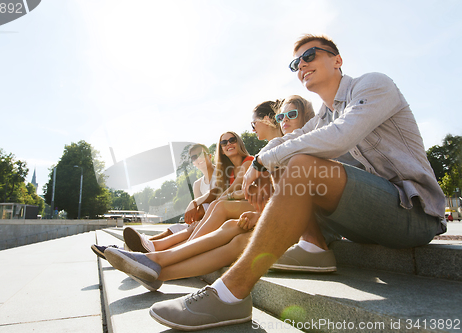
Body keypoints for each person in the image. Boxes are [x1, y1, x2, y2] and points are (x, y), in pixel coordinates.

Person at [148, 34, 446, 331]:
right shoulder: (325, 116)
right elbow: (293, 139)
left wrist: (264, 163)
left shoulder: (373, 85)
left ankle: (229, 294)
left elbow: (341, 135)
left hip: (413, 213)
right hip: (367, 221)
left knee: (299, 161)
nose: (301, 65)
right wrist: (263, 166)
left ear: (337, 60)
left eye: (310, 55)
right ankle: (313, 247)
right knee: (290, 159)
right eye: (295, 63)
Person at [103, 98, 315, 291]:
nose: (284, 121)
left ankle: (154, 259)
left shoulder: (295, 151)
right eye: (281, 117)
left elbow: (295, 199)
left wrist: (258, 213)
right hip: (276, 217)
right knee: (228, 225)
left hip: (295, 226)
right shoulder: (276, 150)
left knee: (226, 222)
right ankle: (154, 265)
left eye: (291, 116)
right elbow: (276, 196)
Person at [90, 143, 217, 258]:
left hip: (215, 219)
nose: (197, 159)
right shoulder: (197, 184)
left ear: (209, 156)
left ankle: (132, 250)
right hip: (200, 221)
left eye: (200, 154)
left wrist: (194, 202)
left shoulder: (220, 173)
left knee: (192, 222)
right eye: (193, 157)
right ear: (192, 162)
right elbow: (196, 212)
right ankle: (126, 249)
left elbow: (217, 192)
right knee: (171, 230)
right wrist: (195, 206)